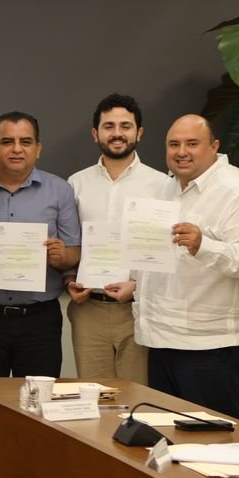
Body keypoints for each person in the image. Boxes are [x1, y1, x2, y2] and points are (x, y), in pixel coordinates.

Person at [109, 115, 239, 418]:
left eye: (192, 144)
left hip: (211, 346)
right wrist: (137, 284)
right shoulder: (168, 188)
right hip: (162, 339)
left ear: (214, 146)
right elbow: (170, 260)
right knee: (169, 432)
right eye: (174, 144)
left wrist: (203, 245)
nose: (181, 152)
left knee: (211, 436)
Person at [0, 112, 79, 377]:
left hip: (39, 322)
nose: (16, 149)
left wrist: (62, 256)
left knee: (38, 399)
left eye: (25, 142)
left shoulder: (60, 190)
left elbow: (74, 252)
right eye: (7, 141)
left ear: (38, 149)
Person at [65, 94, 161, 383]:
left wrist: (138, 286)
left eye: (125, 126)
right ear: (95, 133)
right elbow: (69, 242)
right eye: (109, 126)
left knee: (138, 396)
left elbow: (167, 251)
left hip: (138, 310)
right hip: (88, 310)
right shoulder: (75, 184)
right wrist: (69, 280)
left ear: (139, 133)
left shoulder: (162, 185)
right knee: (93, 396)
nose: (117, 133)